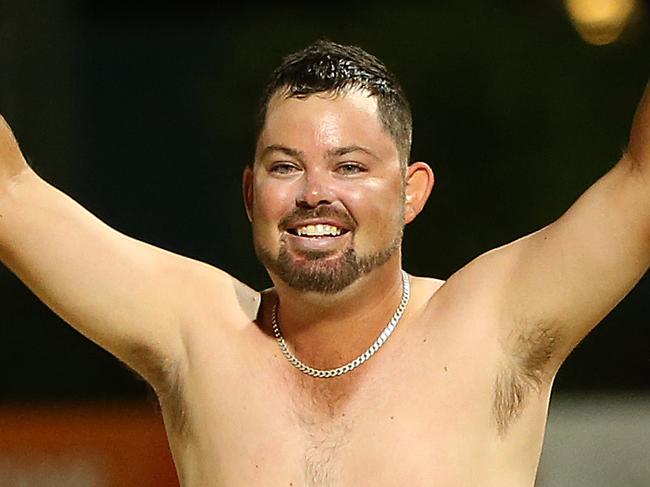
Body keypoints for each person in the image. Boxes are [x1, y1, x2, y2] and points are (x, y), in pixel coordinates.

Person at [0, 39, 648, 487]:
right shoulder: (198, 333)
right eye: (286, 166)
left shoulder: (493, 325)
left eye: (350, 167)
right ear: (252, 193)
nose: (315, 192)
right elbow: (11, 196)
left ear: (411, 191)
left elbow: (641, 185)